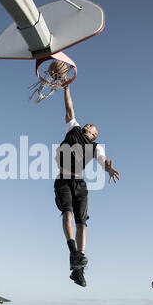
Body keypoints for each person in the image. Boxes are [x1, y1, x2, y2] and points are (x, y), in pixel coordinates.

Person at [54, 84, 120, 287]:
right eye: (89, 125)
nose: (89, 125)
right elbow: (69, 108)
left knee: (82, 223)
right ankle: (74, 254)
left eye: (93, 127)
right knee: (67, 214)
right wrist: (66, 88)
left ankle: (79, 270)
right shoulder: (73, 129)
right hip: (63, 181)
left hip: (80, 183)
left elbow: (103, 160)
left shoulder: (95, 146)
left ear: (94, 134)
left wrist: (108, 168)